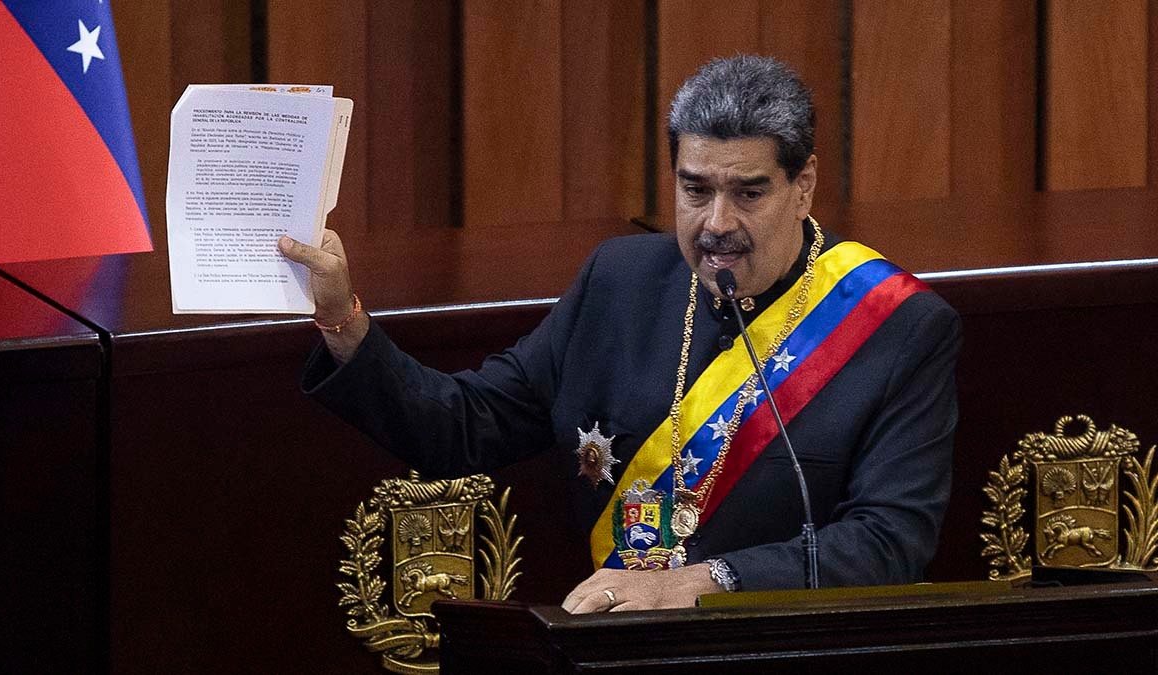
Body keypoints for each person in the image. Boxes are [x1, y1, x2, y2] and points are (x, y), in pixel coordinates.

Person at [279, 55, 960, 614]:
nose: (716, 222)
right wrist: (344, 321)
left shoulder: (895, 325)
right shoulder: (620, 281)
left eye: (748, 193)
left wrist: (700, 583)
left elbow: (890, 541)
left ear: (803, 186)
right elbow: (465, 424)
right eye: (695, 190)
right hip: (623, 652)